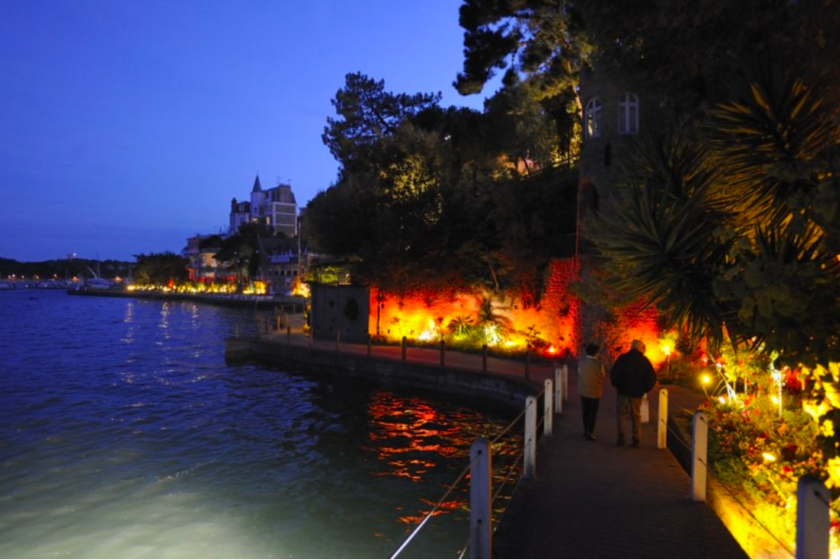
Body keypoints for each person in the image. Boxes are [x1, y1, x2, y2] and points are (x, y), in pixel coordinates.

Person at [610, 339, 656, 447]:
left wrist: (617, 386)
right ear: (640, 348)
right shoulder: (644, 361)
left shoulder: (623, 359)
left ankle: (621, 438)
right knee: (636, 415)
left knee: (622, 414)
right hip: (637, 393)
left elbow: (614, 374)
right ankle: (636, 438)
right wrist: (644, 389)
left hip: (623, 391)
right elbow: (651, 378)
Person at [578, 343, 606, 441]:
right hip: (595, 391)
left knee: (585, 411)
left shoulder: (581, 362)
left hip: (583, 390)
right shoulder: (599, 364)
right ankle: (590, 432)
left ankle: (585, 430)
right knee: (593, 412)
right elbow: (602, 375)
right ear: (596, 353)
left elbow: (579, 373)